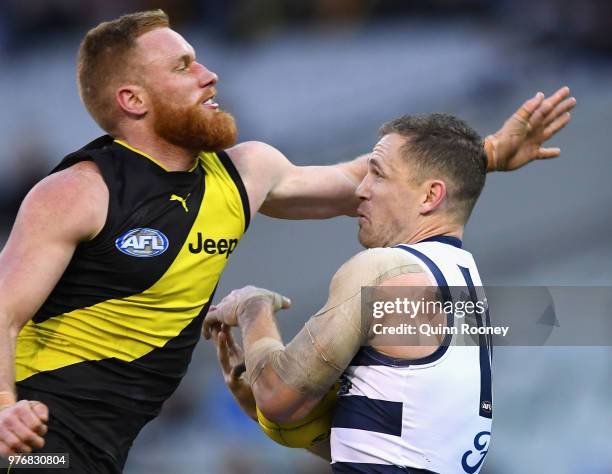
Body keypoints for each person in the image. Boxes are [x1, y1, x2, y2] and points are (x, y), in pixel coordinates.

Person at [0, 8, 574, 473]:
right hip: (39, 442)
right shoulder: (78, 192)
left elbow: (373, 181)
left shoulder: (245, 172)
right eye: (183, 67)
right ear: (133, 100)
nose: (209, 76)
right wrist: (4, 411)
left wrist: (488, 155)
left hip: (107, 446)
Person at [204, 112, 560, 473]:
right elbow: (392, 448)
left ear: (430, 195)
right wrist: (268, 412)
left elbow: (279, 396)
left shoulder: (383, 271)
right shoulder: (466, 289)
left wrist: (253, 309)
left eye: (378, 173)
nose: (360, 190)